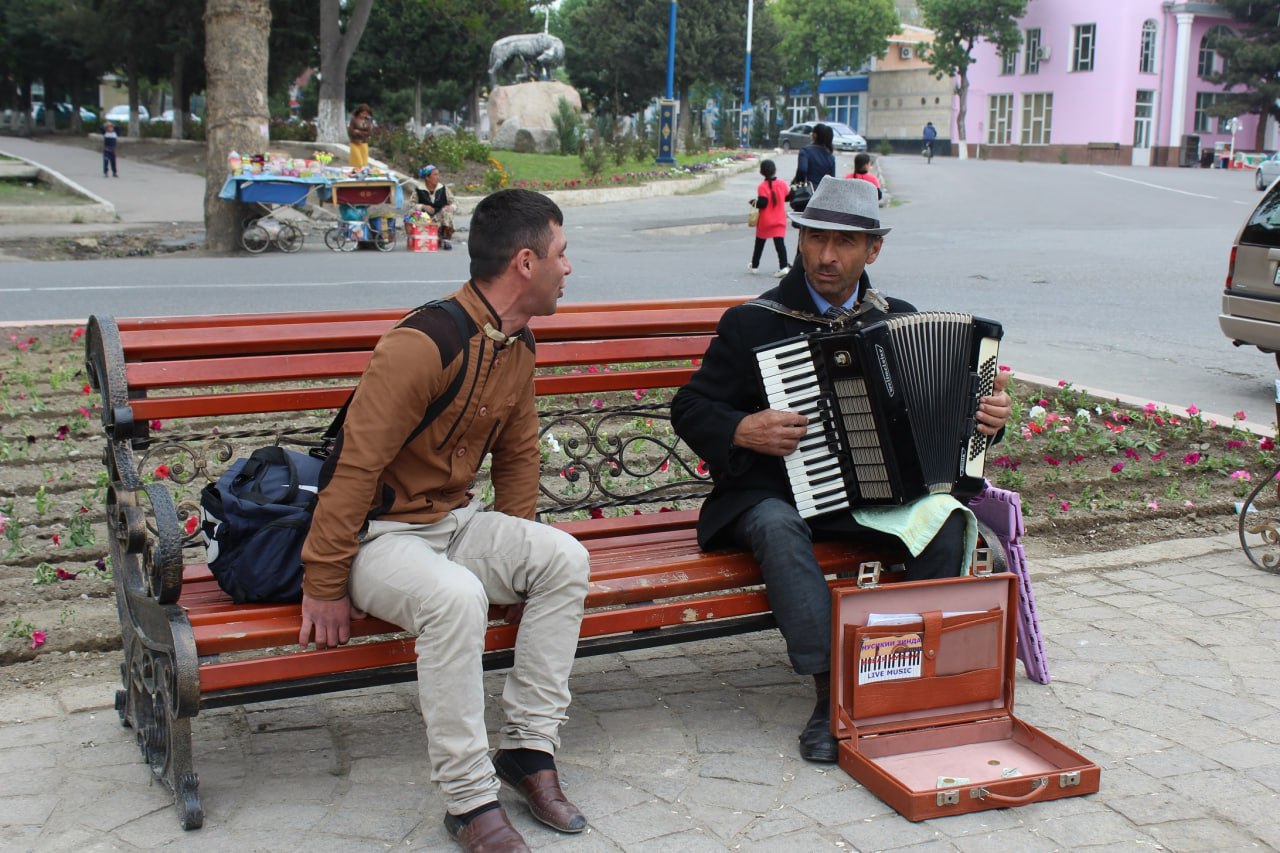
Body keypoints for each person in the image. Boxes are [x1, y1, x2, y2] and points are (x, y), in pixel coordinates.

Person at [671, 177, 1011, 764]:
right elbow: (692, 406)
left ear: (872, 250)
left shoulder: (897, 320)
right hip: (772, 494)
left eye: (845, 244)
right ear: (799, 240)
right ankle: (836, 695)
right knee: (776, 527)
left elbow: (951, 424)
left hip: (871, 500)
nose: (826, 256)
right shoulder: (753, 324)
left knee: (948, 522)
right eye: (815, 239)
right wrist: (740, 429)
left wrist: (988, 419)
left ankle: (899, 674)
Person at [299, 188, 591, 853]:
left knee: (562, 557)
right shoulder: (422, 343)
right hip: (380, 538)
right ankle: (468, 800)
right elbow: (354, 467)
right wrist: (324, 579)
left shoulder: (516, 346)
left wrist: (520, 555)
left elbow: (518, 456)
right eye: (562, 253)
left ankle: (527, 750)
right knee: (456, 597)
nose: (568, 268)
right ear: (525, 262)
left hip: (453, 524)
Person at [749, 158, 791, 277]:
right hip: (779, 220)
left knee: (759, 244)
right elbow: (787, 198)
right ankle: (783, 266)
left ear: (761, 172)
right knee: (780, 245)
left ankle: (755, 266)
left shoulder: (762, 187)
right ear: (775, 170)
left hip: (765, 221)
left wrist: (753, 202)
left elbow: (763, 203)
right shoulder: (782, 184)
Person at [416, 164, 457, 250]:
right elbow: (411, 204)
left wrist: (452, 207)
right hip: (424, 216)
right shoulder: (418, 189)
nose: (438, 177)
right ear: (427, 178)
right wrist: (422, 206)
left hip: (439, 217)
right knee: (412, 214)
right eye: (435, 175)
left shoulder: (443, 188)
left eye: (438, 174)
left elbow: (453, 201)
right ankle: (428, 237)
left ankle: (446, 239)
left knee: (447, 211)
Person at [793, 122, 836, 191]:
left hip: (808, 192)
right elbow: (832, 179)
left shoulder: (805, 151)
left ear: (815, 135)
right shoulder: (830, 156)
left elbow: (802, 170)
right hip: (823, 192)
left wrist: (799, 184)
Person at [348, 104, 373, 168]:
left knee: (364, 162)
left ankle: (361, 174)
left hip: (364, 142)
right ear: (359, 112)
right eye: (363, 113)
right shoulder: (354, 119)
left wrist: (359, 132)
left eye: (366, 114)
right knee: (358, 161)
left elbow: (369, 133)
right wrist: (361, 133)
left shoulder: (368, 121)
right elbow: (351, 131)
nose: (364, 115)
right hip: (355, 142)